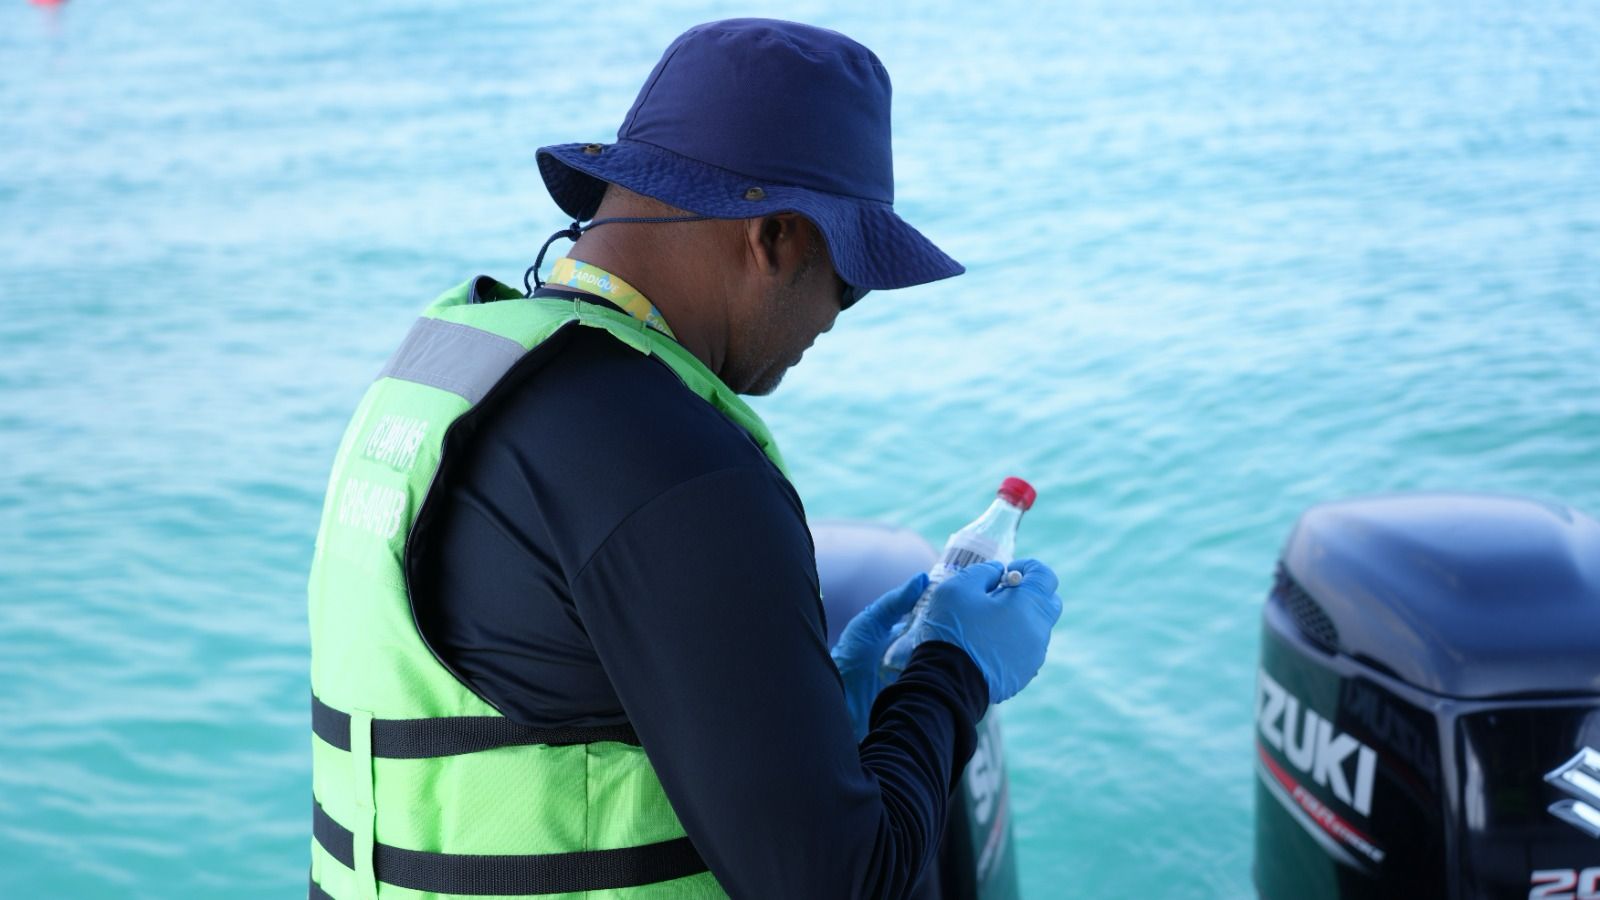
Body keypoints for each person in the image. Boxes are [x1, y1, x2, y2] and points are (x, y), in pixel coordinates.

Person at [306, 18, 1062, 900]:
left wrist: (830, 701)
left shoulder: (434, 381)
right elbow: (846, 886)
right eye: (850, 277)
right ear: (775, 236)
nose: (838, 315)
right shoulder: (678, 464)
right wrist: (949, 672)